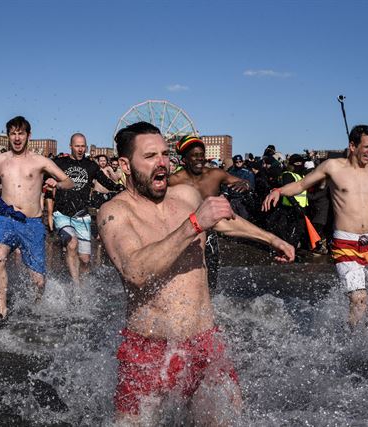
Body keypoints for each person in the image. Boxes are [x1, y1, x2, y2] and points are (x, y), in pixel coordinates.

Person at [98, 122, 294, 423]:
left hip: (204, 343)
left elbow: (222, 221)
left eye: (164, 154)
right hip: (149, 351)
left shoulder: (186, 196)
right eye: (150, 156)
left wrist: (271, 239)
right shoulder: (115, 212)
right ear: (125, 164)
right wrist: (193, 225)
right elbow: (134, 270)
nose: (162, 162)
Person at [263, 125, 368, 327]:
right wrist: (278, 190)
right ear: (353, 146)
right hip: (345, 242)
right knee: (359, 300)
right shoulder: (333, 167)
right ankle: (352, 341)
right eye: (367, 147)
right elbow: (301, 185)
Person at [0, 116, 73, 326]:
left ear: (28, 136)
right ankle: (2, 312)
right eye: (13, 133)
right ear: (8, 135)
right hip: (6, 218)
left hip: (32, 223)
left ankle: (35, 306)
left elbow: (68, 181)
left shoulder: (40, 161)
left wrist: (56, 184)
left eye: (21, 133)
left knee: (38, 281)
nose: (17, 138)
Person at [168, 135, 251, 290]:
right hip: (186, 232)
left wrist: (245, 185)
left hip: (210, 234)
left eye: (201, 155)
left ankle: (210, 303)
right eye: (194, 156)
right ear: (184, 159)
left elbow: (242, 181)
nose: (200, 159)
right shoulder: (174, 180)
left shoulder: (215, 174)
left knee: (211, 276)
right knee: (185, 276)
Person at [53, 133, 123, 285]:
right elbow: (43, 174)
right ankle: (76, 287)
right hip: (62, 213)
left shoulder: (91, 165)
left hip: (82, 215)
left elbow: (105, 182)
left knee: (85, 260)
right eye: (77, 146)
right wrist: (49, 180)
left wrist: (120, 188)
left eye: (82, 146)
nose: (80, 149)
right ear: (70, 146)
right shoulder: (60, 163)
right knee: (72, 244)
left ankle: (83, 288)